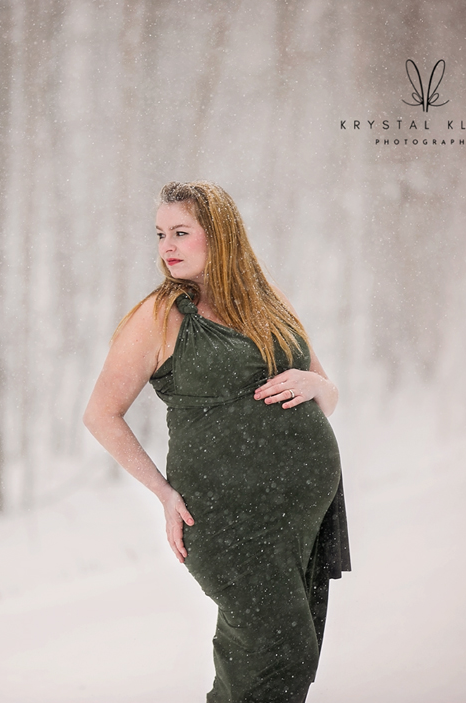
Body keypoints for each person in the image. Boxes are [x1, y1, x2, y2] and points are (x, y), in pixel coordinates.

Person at [83, 181, 350, 703]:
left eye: (181, 233)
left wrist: (318, 385)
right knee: (279, 651)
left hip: (296, 518)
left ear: (220, 236)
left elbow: (326, 394)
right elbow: (101, 414)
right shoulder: (160, 316)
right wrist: (163, 493)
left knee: (276, 657)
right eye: (160, 234)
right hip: (227, 521)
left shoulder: (268, 303)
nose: (167, 247)